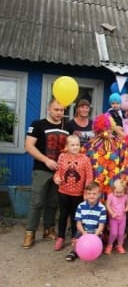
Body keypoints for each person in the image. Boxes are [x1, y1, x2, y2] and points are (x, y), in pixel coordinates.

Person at [23, 98, 69, 249]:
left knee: (53, 202)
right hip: (41, 169)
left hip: (59, 172)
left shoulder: (67, 126)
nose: (59, 113)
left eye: (62, 110)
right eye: (56, 109)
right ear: (48, 109)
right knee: (37, 202)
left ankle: (49, 229)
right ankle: (30, 232)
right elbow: (29, 146)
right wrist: (46, 160)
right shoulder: (38, 124)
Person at [53, 135, 93, 251]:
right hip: (63, 192)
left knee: (76, 216)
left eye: (77, 145)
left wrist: (86, 192)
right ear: (67, 146)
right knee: (63, 214)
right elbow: (58, 172)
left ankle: (75, 237)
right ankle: (60, 237)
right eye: (72, 145)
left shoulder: (85, 159)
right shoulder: (62, 157)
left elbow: (89, 177)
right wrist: (56, 179)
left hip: (78, 194)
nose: (75, 147)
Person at [83, 113, 128, 197]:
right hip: (96, 185)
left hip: (114, 185)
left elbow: (126, 163)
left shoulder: (119, 143)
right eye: (104, 129)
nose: (108, 131)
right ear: (99, 130)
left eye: (109, 128)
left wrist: (123, 181)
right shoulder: (91, 144)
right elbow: (82, 161)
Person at [65, 182, 107, 261]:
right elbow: (78, 223)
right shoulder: (81, 206)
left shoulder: (102, 208)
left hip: (95, 231)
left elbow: (101, 225)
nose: (91, 196)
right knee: (76, 240)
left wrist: (95, 235)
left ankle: (93, 251)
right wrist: (84, 233)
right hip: (83, 229)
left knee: (95, 245)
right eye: (89, 193)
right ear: (86, 195)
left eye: (94, 194)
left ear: (99, 195)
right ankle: (74, 252)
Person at [104, 179, 128, 254]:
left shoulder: (125, 196)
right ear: (113, 190)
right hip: (113, 218)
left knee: (121, 233)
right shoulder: (110, 196)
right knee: (113, 233)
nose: (119, 194)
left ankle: (119, 245)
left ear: (124, 191)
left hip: (122, 218)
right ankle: (109, 245)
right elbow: (108, 205)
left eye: (121, 192)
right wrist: (112, 213)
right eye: (117, 192)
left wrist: (126, 208)